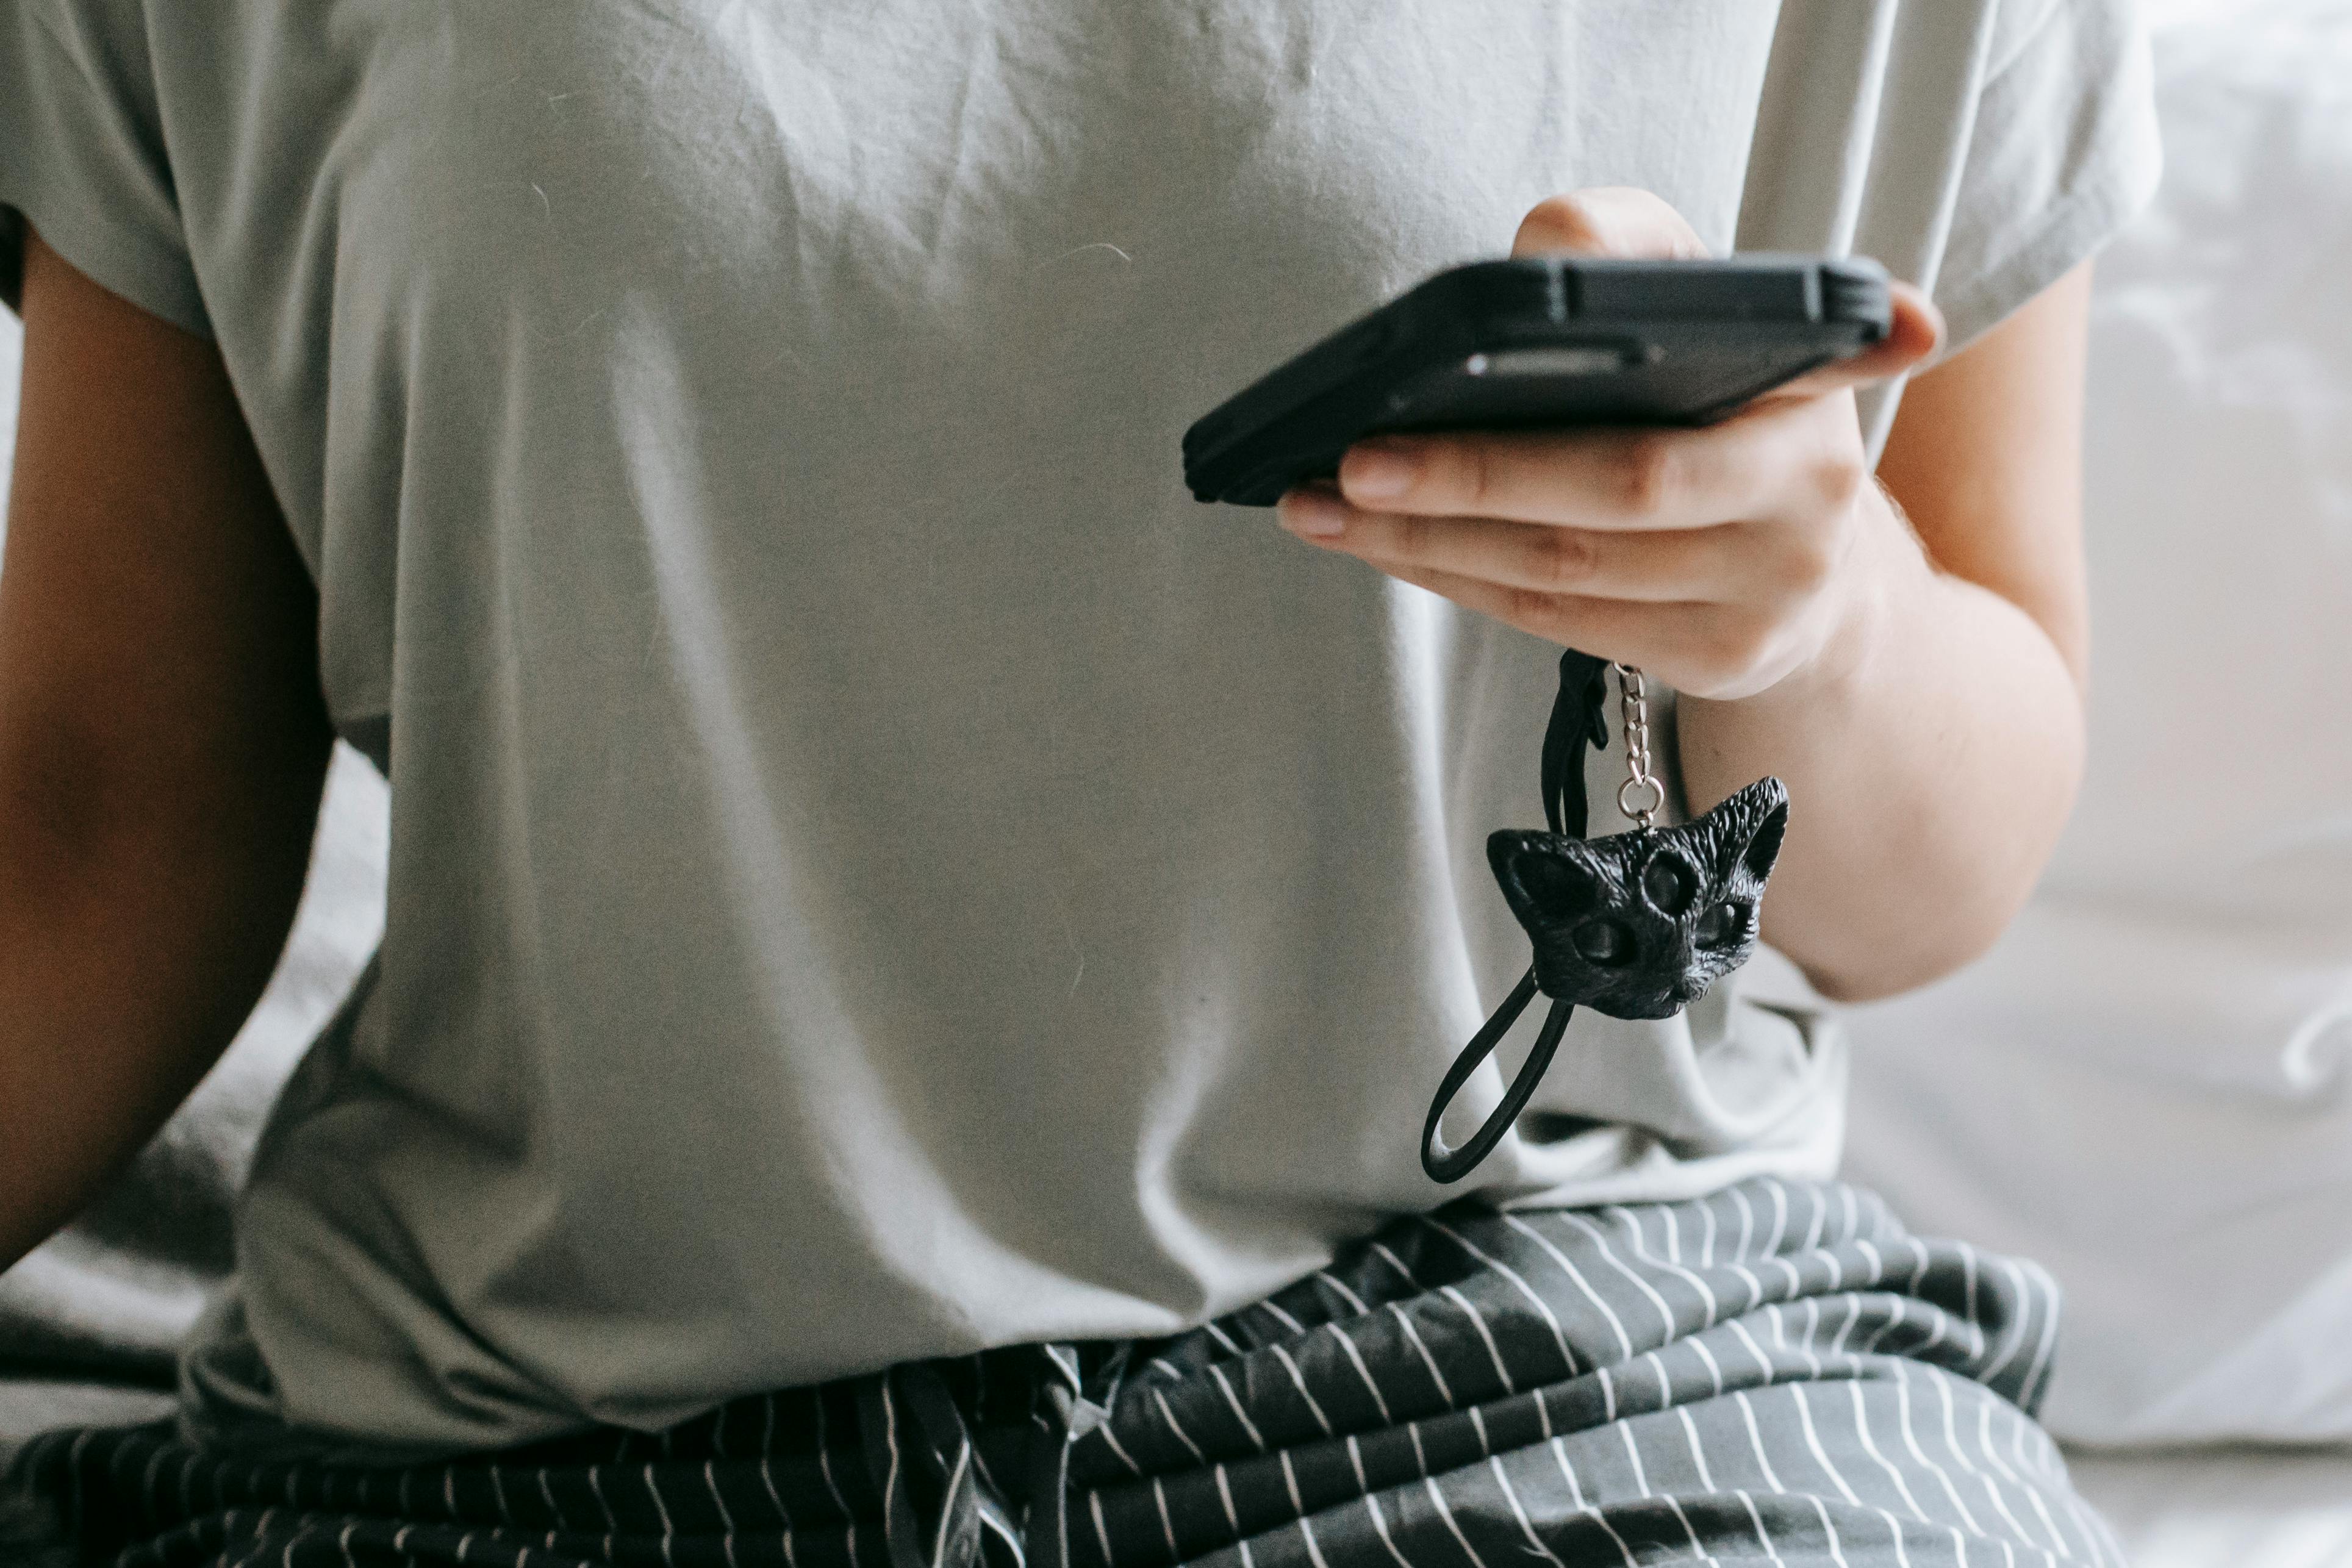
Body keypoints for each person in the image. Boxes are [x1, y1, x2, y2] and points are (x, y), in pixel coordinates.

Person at [0, 2, 2158, 1563]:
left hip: (1581, 1391)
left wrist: (1825, 619)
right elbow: (109, 821)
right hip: (539, 1455)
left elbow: (1922, 870)